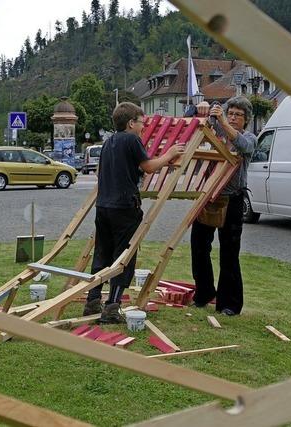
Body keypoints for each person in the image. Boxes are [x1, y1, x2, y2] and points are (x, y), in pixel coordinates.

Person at [83, 102, 185, 323]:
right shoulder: (131, 139)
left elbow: (120, 169)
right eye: (141, 122)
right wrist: (169, 154)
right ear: (131, 123)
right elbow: (148, 166)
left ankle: (92, 300)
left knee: (102, 253)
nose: (143, 127)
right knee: (124, 257)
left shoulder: (109, 141)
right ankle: (112, 307)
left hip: (104, 206)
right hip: (124, 207)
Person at [190, 96, 256, 316]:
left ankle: (229, 304)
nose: (234, 117)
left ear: (246, 120)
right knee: (199, 247)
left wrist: (223, 123)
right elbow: (196, 137)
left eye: (239, 115)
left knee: (229, 253)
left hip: (233, 199)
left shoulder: (249, 137)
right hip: (208, 196)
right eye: (231, 113)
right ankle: (204, 293)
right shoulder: (215, 133)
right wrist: (203, 115)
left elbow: (243, 145)